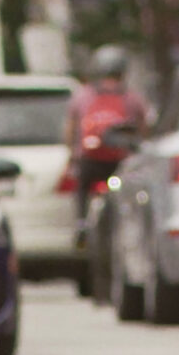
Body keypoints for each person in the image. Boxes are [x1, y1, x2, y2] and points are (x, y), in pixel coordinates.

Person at [64, 44, 150, 238]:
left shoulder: (82, 95)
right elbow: (143, 130)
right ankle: (135, 228)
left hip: (90, 161)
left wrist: (72, 155)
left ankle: (81, 223)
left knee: (82, 187)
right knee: (134, 193)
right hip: (120, 161)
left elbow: (70, 130)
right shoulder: (132, 98)